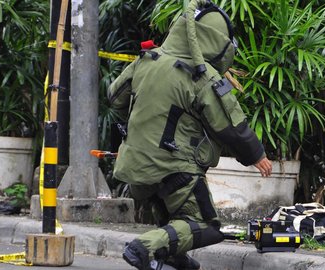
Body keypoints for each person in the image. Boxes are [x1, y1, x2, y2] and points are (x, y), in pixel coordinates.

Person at [107, 0, 272, 269]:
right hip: (174, 169)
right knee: (207, 225)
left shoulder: (147, 60)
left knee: (176, 222)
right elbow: (229, 125)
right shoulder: (200, 76)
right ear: (218, 43)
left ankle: (174, 259)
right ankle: (142, 248)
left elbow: (114, 97)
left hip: (135, 167)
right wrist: (257, 155)